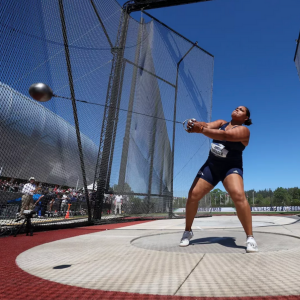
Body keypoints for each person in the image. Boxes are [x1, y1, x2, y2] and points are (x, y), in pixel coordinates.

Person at [180, 106, 258, 253]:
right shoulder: (221, 122)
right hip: (211, 166)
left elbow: (225, 136)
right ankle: (187, 231)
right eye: (236, 108)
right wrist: (195, 123)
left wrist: (201, 130)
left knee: (238, 195)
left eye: (241, 110)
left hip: (231, 168)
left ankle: (250, 237)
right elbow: (207, 125)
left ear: (245, 118)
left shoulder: (244, 131)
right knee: (192, 196)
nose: (237, 110)